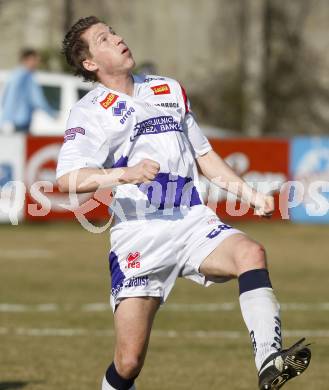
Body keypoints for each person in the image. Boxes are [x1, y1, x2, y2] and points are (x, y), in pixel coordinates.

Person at [57, 16, 311, 390]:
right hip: (139, 234)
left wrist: (249, 194)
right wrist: (122, 175)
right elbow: (67, 180)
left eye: (113, 32)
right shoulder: (90, 111)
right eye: (104, 39)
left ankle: (269, 362)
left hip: (192, 220)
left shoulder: (168, 89)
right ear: (90, 63)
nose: (118, 38)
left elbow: (203, 155)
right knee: (128, 362)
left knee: (251, 254)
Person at [0, 48, 57, 133]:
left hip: (9, 122)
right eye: (35, 60)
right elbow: (38, 100)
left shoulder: (14, 75)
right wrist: (52, 114)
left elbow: (4, 98)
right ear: (26, 60)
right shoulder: (27, 77)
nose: (37, 63)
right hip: (21, 122)